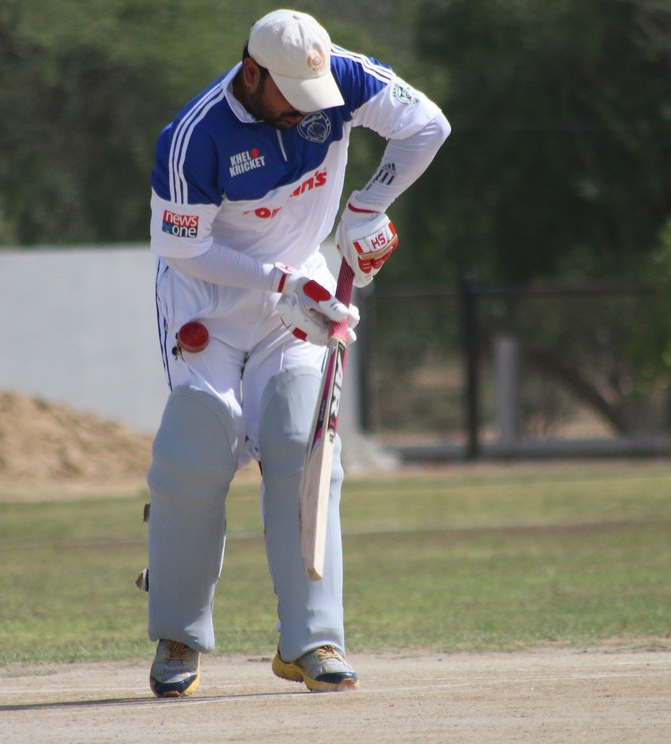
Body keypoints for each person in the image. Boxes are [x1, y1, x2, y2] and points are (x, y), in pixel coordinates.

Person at [145, 9, 449, 696]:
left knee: (303, 446)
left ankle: (312, 642)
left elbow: (428, 126)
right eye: (290, 95)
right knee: (197, 449)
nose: (309, 110)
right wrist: (281, 280)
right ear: (251, 73)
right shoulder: (193, 134)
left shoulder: (337, 75)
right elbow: (183, 249)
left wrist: (368, 207)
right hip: (209, 301)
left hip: (299, 292)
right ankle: (177, 636)